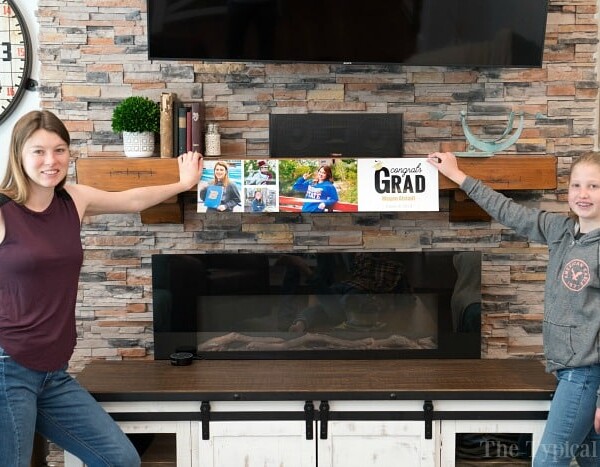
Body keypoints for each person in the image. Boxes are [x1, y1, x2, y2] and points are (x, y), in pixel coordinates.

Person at [0, 110, 203, 467]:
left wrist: (183, 184)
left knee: (121, 459)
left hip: (52, 371)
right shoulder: (3, 211)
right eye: (39, 151)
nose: (51, 161)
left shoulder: (72, 200)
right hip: (8, 366)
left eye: (60, 149)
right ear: (18, 154)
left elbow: (132, 200)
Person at [428, 150, 600, 466]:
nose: (583, 194)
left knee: (548, 462)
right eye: (577, 185)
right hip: (565, 370)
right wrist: (458, 176)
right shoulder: (560, 230)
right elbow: (509, 211)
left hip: (585, 375)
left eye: (594, 186)